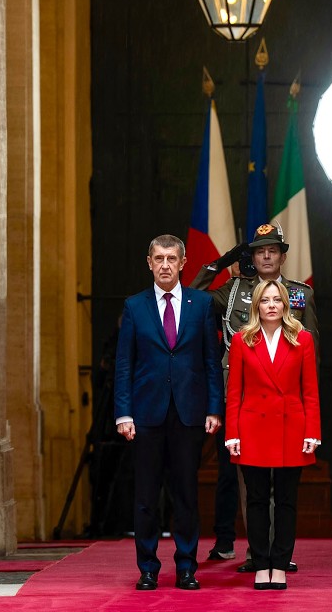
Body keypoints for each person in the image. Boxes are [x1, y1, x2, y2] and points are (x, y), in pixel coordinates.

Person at [190, 222, 316, 570]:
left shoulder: (298, 294)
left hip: (286, 398)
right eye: (259, 251)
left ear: (281, 255)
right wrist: (218, 263)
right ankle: (255, 550)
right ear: (252, 256)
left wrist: (310, 413)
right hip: (241, 396)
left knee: (283, 481)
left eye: (271, 250)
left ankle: (277, 554)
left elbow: (311, 349)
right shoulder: (233, 290)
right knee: (246, 479)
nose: (265, 256)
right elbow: (193, 298)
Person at [114, 234, 223, 591]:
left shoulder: (202, 304)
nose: (164, 265)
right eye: (158, 258)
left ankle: (187, 567)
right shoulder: (134, 306)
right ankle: (147, 568)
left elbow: (210, 361)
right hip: (145, 415)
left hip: (189, 414)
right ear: (149, 262)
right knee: (146, 496)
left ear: (183, 262)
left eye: (171, 259)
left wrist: (213, 407)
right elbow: (124, 365)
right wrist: (123, 413)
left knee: (186, 494)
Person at [224, 279, 320, 591]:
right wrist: (232, 433)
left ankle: (279, 564)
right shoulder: (242, 340)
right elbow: (235, 392)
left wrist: (312, 431)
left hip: (291, 428)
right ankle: (260, 563)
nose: (271, 305)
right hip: (252, 430)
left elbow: (310, 392)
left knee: (287, 502)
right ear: (256, 306)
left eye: (276, 300)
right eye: (265, 300)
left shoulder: (302, 339)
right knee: (256, 500)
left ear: (285, 304)